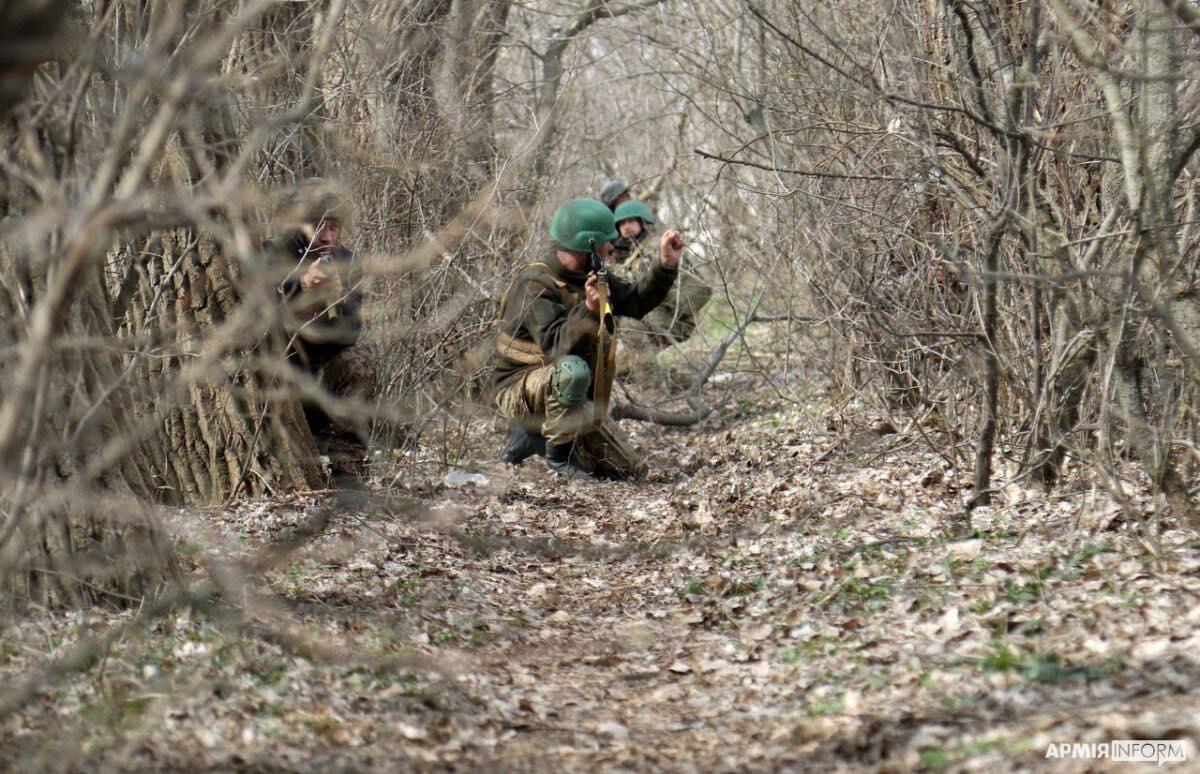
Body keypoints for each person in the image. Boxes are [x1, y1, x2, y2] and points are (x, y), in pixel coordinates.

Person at [492, 198, 684, 477]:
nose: (611, 247)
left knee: (628, 471)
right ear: (589, 244)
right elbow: (557, 348)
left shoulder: (593, 276)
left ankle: (535, 439)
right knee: (573, 370)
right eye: (606, 241)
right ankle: (557, 455)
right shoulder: (534, 285)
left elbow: (636, 301)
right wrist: (589, 310)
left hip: (568, 394)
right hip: (520, 389)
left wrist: (666, 266)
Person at [265, 178, 372, 485]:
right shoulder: (273, 255)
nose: (327, 236)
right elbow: (263, 322)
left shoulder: (348, 263)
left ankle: (348, 474)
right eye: (317, 226)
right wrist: (301, 289)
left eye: (333, 227)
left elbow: (352, 333)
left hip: (325, 376)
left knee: (361, 360)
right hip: (282, 375)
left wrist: (339, 297)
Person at [609, 199, 712, 367]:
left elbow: (694, 290)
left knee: (630, 326)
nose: (626, 226)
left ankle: (655, 389)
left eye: (631, 221)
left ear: (642, 222)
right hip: (654, 315)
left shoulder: (657, 248)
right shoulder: (626, 256)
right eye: (622, 223)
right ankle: (679, 379)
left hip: (674, 319)